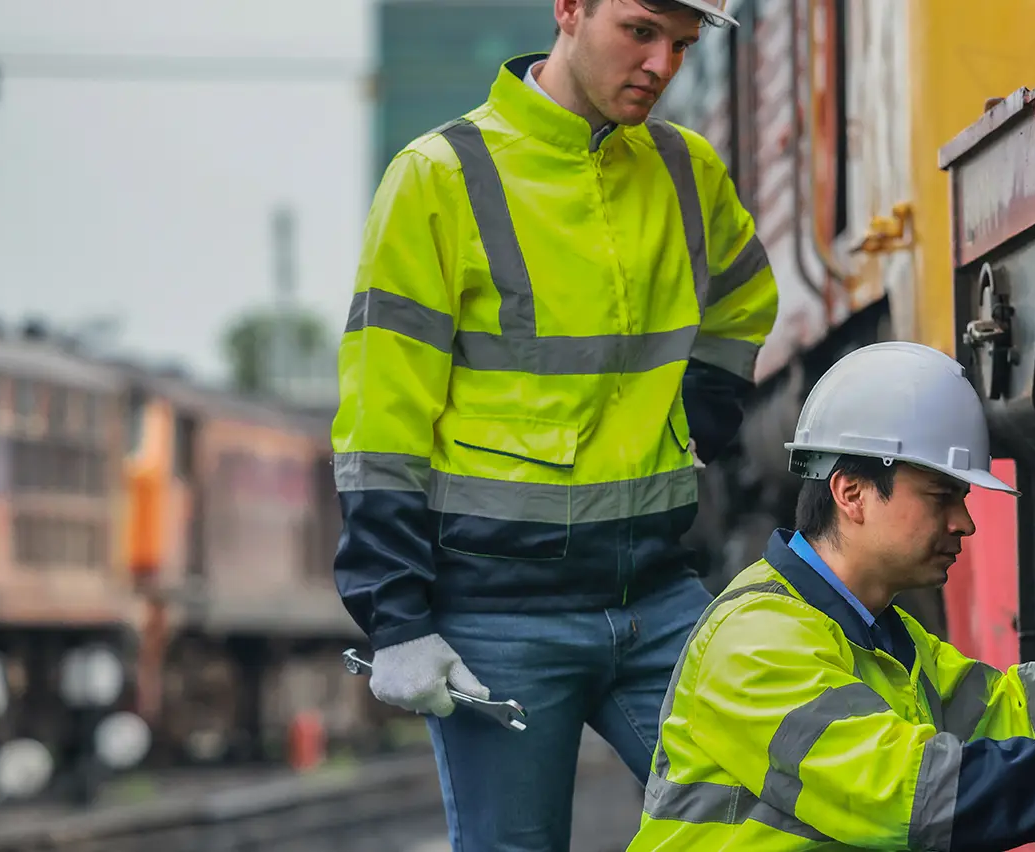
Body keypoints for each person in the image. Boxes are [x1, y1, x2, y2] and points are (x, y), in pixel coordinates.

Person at [329, 0, 772, 847]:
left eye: (681, 44)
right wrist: (397, 618)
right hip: (499, 622)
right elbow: (382, 416)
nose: (661, 65)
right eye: (640, 31)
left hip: (655, 597)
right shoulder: (439, 177)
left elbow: (744, 299)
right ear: (569, 9)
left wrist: (690, 429)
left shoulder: (687, 172)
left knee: (766, 822)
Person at [628, 341, 1035, 850]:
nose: (965, 523)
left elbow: (1016, 716)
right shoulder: (757, 642)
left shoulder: (883, 636)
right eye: (942, 496)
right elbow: (912, 793)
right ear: (852, 492)